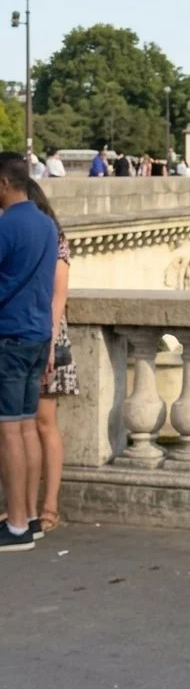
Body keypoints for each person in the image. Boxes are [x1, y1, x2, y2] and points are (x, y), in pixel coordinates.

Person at [0, 152, 58, 551]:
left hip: (9, 335)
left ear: (4, 184)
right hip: (38, 335)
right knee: (27, 427)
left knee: (9, 431)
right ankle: (32, 517)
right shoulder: (46, 224)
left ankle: (17, 524)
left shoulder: (7, 225)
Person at [26, 180, 78, 532]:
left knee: (43, 423)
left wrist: (49, 342)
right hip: (29, 333)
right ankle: (25, 509)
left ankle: (49, 507)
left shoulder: (54, 239)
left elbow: (58, 298)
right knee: (23, 426)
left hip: (48, 337)